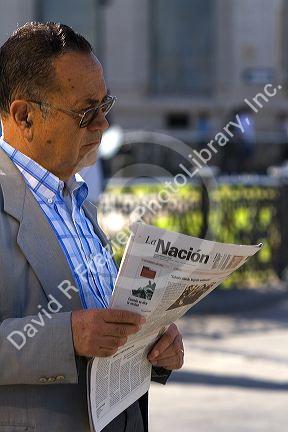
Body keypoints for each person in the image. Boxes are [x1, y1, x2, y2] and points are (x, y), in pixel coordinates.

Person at [0, 22, 184, 432]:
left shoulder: (76, 199)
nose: (101, 124)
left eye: (105, 105)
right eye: (86, 112)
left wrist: (153, 348)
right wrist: (66, 337)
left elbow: (102, 332)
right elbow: (76, 336)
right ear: (24, 115)